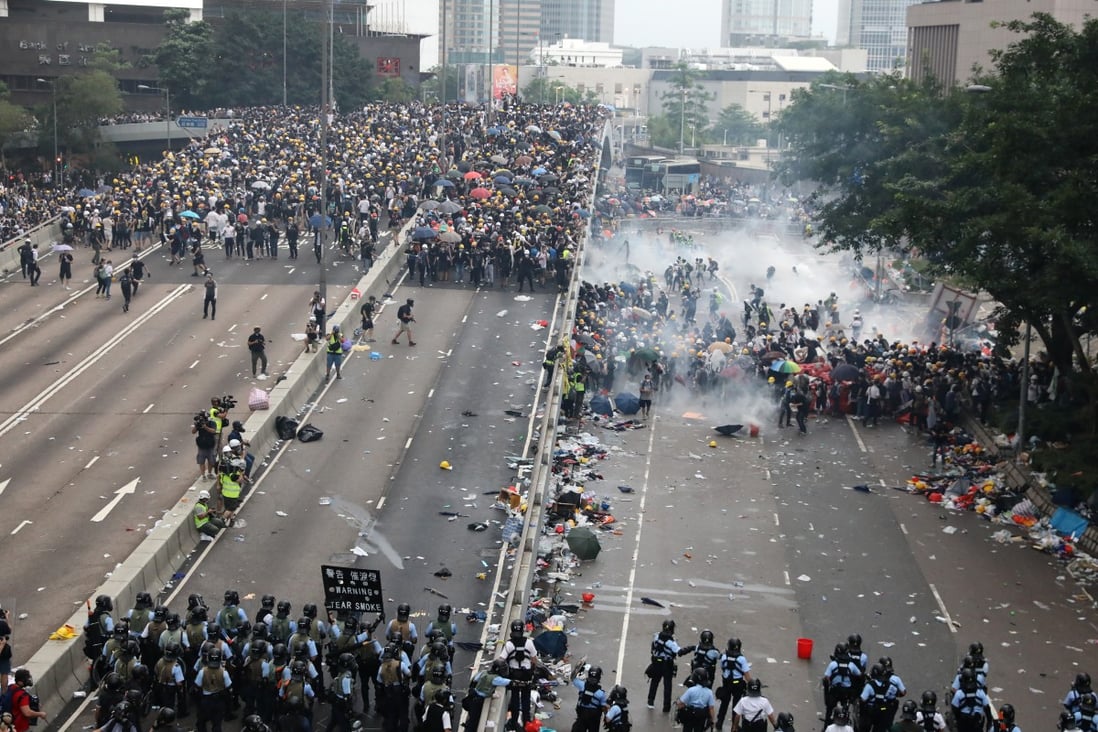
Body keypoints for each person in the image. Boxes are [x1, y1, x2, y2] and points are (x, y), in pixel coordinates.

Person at [497, 620, 538, 728]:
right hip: (526, 676)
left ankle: (514, 723)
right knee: (526, 700)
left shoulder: (509, 644)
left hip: (514, 676)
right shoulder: (529, 642)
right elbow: (534, 659)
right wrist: (532, 670)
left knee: (515, 699)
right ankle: (526, 723)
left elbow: (501, 660)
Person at [646, 619, 690, 713]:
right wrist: (691, 648)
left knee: (654, 682)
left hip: (656, 663)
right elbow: (679, 652)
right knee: (667, 686)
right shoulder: (671, 642)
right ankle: (666, 707)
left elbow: (653, 648)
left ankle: (650, 701)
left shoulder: (657, 636)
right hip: (667, 664)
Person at [715, 638, 752, 731]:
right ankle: (734, 727)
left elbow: (723, 668)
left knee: (724, 704)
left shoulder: (724, 657)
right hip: (737, 684)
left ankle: (719, 722)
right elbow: (747, 675)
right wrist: (751, 684)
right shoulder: (741, 659)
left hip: (726, 683)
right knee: (736, 706)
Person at [572, 665, 606, 732]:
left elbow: (572, 678)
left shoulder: (582, 685)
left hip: (582, 715)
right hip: (594, 718)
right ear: (599, 677)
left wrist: (579, 669)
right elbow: (603, 707)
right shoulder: (601, 694)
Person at [0, 607, 11, 691]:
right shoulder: (2, 624)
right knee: (4, 673)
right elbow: (9, 630)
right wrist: (7, 618)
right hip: (4, 653)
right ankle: (4, 694)